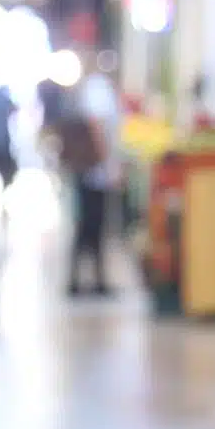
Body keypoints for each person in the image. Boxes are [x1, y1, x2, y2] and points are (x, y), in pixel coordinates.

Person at [69, 48, 122, 297]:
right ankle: (83, 279)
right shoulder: (98, 89)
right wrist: (107, 163)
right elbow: (96, 126)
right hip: (94, 170)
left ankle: (90, 278)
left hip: (93, 169)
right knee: (91, 224)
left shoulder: (93, 88)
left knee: (92, 225)